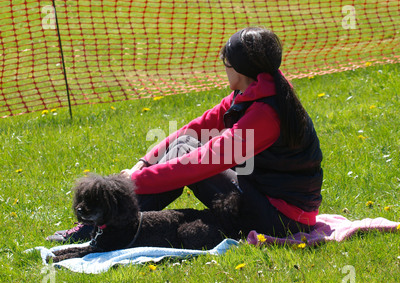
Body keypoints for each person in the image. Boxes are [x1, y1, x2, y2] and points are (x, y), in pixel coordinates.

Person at [47, 26, 323, 243]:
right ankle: (105, 222)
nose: (223, 68)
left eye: (226, 63)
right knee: (183, 143)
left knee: (187, 154)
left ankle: (105, 224)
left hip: (283, 221)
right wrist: (144, 163)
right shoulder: (259, 88)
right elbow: (197, 127)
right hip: (269, 201)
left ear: (241, 69)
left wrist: (132, 184)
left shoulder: (265, 115)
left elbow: (203, 161)